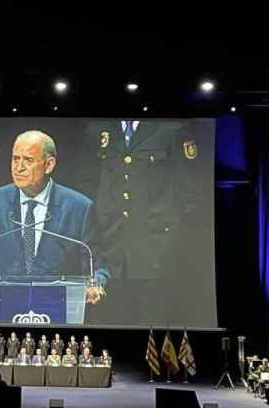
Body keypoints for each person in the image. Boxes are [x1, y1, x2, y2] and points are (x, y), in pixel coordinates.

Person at [0, 131, 108, 309]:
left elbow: (97, 267)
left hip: (57, 311)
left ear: (49, 165)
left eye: (28, 160)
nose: (18, 167)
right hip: (2, 310)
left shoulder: (79, 208)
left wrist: (96, 286)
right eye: (15, 159)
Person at [80, 119, 211, 325]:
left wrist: (175, 241)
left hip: (155, 253)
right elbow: (92, 185)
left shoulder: (170, 129)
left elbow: (190, 193)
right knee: (112, 328)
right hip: (112, 251)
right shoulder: (97, 129)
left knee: (154, 327)